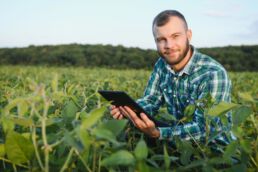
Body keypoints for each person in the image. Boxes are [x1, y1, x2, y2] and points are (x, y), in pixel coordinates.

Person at [110, 10, 232, 145]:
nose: (169, 45)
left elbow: (207, 129)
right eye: (161, 39)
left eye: (175, 36)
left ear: (188, 35)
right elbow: (151, 100)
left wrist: (159, 133)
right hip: (177, 143)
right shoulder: (162, 64)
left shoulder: (212, 73)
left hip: (214, 151)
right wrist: (129, 110)